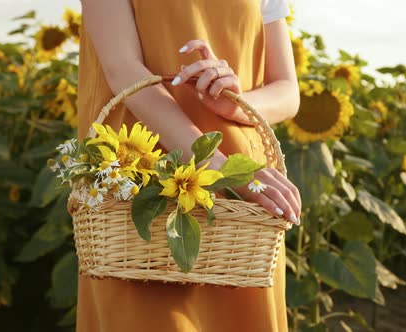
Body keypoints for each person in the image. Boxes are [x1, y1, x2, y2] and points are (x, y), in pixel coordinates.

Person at [76, 0, 302, 331]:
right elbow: (123, 68)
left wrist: (235, 106)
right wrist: (223, 171)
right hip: (143, 185)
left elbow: (287, 90)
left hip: (243, 204)